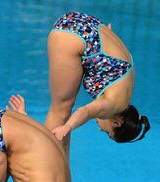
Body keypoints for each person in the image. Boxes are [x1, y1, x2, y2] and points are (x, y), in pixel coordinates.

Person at [43, 12, 151, 153]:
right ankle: (43, 166)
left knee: (63, 113)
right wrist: (68, 127)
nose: (100, 129)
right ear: (117, 123)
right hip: (70, 35)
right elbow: (86, 111)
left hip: (84, 22)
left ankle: (60, 165)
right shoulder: (112, 106)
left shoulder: (126, 93)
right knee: (61, 111)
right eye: (107, 133)